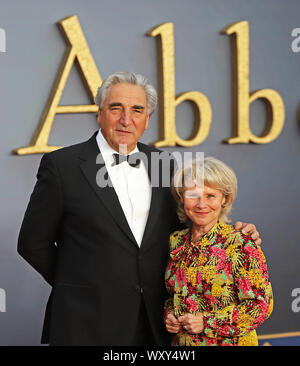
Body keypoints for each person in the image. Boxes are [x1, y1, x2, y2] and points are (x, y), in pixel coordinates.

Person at [18, 71, 261, 346]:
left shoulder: (163, 163)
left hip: (155, 323)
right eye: (115, 108)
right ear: (99, 113)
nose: (126, 119)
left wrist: (234, 232)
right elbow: (32, 243)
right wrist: (79, 286)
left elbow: (185, 230)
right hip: (86, 324)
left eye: (137, 110)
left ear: (147, 120)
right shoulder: (62, 166)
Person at [164, 157, 273, 346]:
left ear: (225, 199)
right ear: (181, 199)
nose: (201, 204)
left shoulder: (240, 242)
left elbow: (260, 307)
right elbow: (173, 295)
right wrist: (171, 315)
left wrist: (206, 322)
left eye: (210, 196)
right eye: (193, 195)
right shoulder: (176, 241)